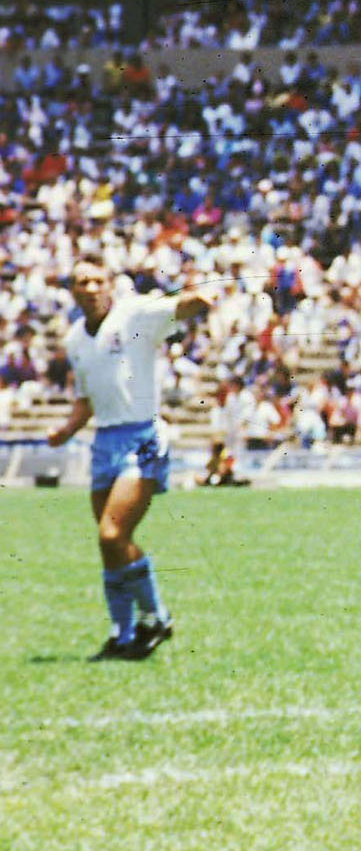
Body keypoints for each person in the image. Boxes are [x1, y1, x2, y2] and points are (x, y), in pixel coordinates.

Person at [46, 259, 212, 661]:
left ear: (108, 284)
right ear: (72, 291)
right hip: (105, 441)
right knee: (112, 545)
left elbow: (185, 306)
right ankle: (123, 634)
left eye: (95, 279)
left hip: (141, 435)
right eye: (80, 281)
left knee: (111, 534)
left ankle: (153, 617)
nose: (89, 286)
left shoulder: (134, 314)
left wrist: (197, 297)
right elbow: (86, 399)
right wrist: (66, 430)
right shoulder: (75, 339)